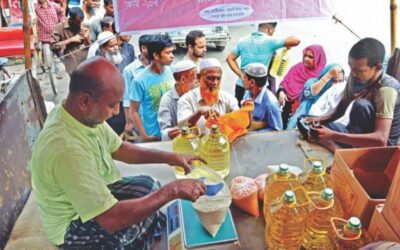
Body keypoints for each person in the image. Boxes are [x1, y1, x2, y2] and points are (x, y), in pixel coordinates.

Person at [31, 57, 206, 249]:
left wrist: (171, 157)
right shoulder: (65, 149)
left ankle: (148, 228)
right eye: (112, 105)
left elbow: (120, 149)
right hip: (71, 224)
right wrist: (173, 190)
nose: (116, 112)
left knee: (150, 187)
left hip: (98, 191)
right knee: (135, 225)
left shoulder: (80, 114)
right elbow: (110, 219)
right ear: (85, 101)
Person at [308, 38, 400, 152]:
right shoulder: (356, 77)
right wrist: (321, 119)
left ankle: (336, 149)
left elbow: (381, 140)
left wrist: (332, 136)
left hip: (383, 147)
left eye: (358, 69)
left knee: (361, 105)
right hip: (361, 133)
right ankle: (347, 147)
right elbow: (341, 108)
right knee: (314, 128)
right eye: (350, 67)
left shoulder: (387, 89)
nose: (352, 73)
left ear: (378, 67)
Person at [226, 22, 300, 105]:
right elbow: (296, 40)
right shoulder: (271, 42)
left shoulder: (243, 41)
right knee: (259, 115)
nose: (272, 34)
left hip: (242, 84)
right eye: (273, 31)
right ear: (269, 29)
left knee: (240, 114)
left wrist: (241, 75)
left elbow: (230, 58)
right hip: (260, 88)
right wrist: (286, 43)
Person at [130, 34, 175, 142]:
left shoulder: (172, 71)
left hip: (172, 132)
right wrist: (144, 135)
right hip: (153, 135)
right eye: (168, 53)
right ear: (156, 55)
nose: (172, 56)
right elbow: (133, 111)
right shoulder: (139, 80)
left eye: (172, 52)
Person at [177, 58, 239, 134]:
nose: (215, 83)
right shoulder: (186, 100)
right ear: (199, 77)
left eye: (218, 78)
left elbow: (238, 122)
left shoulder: (228, 99)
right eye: (210, 78)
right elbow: (182, 126)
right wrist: (198, 113)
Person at [277, 44, 327, 129]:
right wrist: (281, 92)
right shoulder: (298, 68)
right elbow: (284, 82)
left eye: (310, 57)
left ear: (318, 59)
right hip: (284, 108)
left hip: (301, 115)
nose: (306, 59)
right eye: (305, 55)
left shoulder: (321, 78)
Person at [286, 64, 345, 129]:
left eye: (340, 81)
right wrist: (328, 75)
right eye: (333, 81)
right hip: (301, 119)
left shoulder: (336, 94)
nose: (336, 85)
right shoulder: (312, 82)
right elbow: (309, 94)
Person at [158, 60, 197, 141]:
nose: (197, 82)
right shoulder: (167, 100)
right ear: (183, 79)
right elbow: (164, 130)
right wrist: (170, 133)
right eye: (194, 78)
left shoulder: (196, 93)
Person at [122, 34, 152, 140]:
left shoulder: (160, 67)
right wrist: (129, 122)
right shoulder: (129, 70)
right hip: (140, 120)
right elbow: (127, 99)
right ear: (143, 48)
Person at [242, 63, 283, 132]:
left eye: (244, 77)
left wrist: (254, 133)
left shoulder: (271, 104)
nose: (242, 78)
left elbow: (277, 131)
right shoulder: (248, 93)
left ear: (252, 83)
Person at [50, 7, 91, 76]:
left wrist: (86, 38)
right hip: (72, 63)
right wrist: (71, 40)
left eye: (81, 21)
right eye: (78, 22)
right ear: (71, 19)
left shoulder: (84, 25)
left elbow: (90, 46)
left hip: (86, 62)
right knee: (76, 85)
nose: (80, 24)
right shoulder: (60, 27)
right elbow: (53, 46)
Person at [35, 0, 65, 79]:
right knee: (48, 57)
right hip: (45, 38)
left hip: (57, 37)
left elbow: (62, 11)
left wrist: (61, 22)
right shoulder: (35, 8)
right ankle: (48, 72)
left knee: (62, 56)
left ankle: (60, 72)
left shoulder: (54, 5)